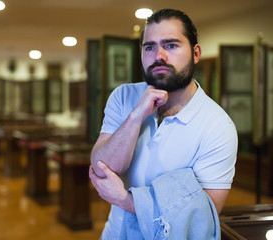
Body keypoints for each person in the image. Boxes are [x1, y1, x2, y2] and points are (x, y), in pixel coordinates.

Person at [89, 8, 238, 239]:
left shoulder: (218, 127)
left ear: (196, 53)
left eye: (171, 45)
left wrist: (125, 200)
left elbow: (203, 216)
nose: (159, 55)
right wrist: (137, 115)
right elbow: (102, 167)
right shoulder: (124, 96)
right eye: (149, 47)